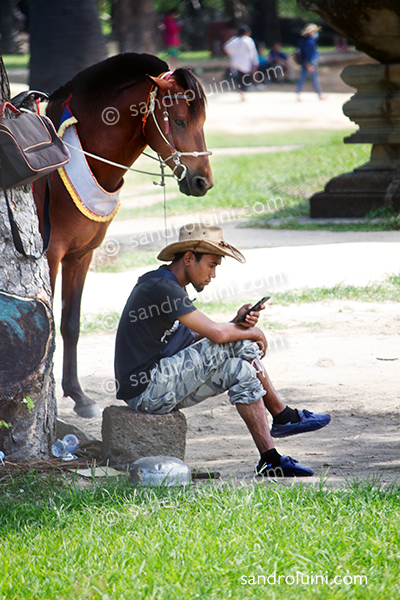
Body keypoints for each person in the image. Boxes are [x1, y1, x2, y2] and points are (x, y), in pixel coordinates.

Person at [114, 223, 331, 478]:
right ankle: (282, 415)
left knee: (239, 370)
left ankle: (270, 460)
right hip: (148, 388)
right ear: (188, 258)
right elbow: (217, 336)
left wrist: (235, 323)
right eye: (212, 264)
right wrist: (252, 333)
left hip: (159, 385)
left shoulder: (168, 284)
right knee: (238, 342)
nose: (213, 274)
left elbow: (195, 339)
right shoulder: (163, 288)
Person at [223, 25, 259, 100]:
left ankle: (241, 90)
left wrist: (232, 54)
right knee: (245, 77)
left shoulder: (234, 39)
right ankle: (243, 91)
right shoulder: (248, 40)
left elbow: (226, 47)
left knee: (239, 77)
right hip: (245, 61)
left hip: (235, 61)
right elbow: (252, 51)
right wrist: (255, 61)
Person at [296, 23, 326, 101]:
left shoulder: (304, 41)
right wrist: (308, 64)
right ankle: (319, 94)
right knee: (313, 78)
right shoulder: (310, 42)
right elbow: (308, 54)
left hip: (305, 62)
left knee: (303, 77)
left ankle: (298, 93)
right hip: (310, 62)